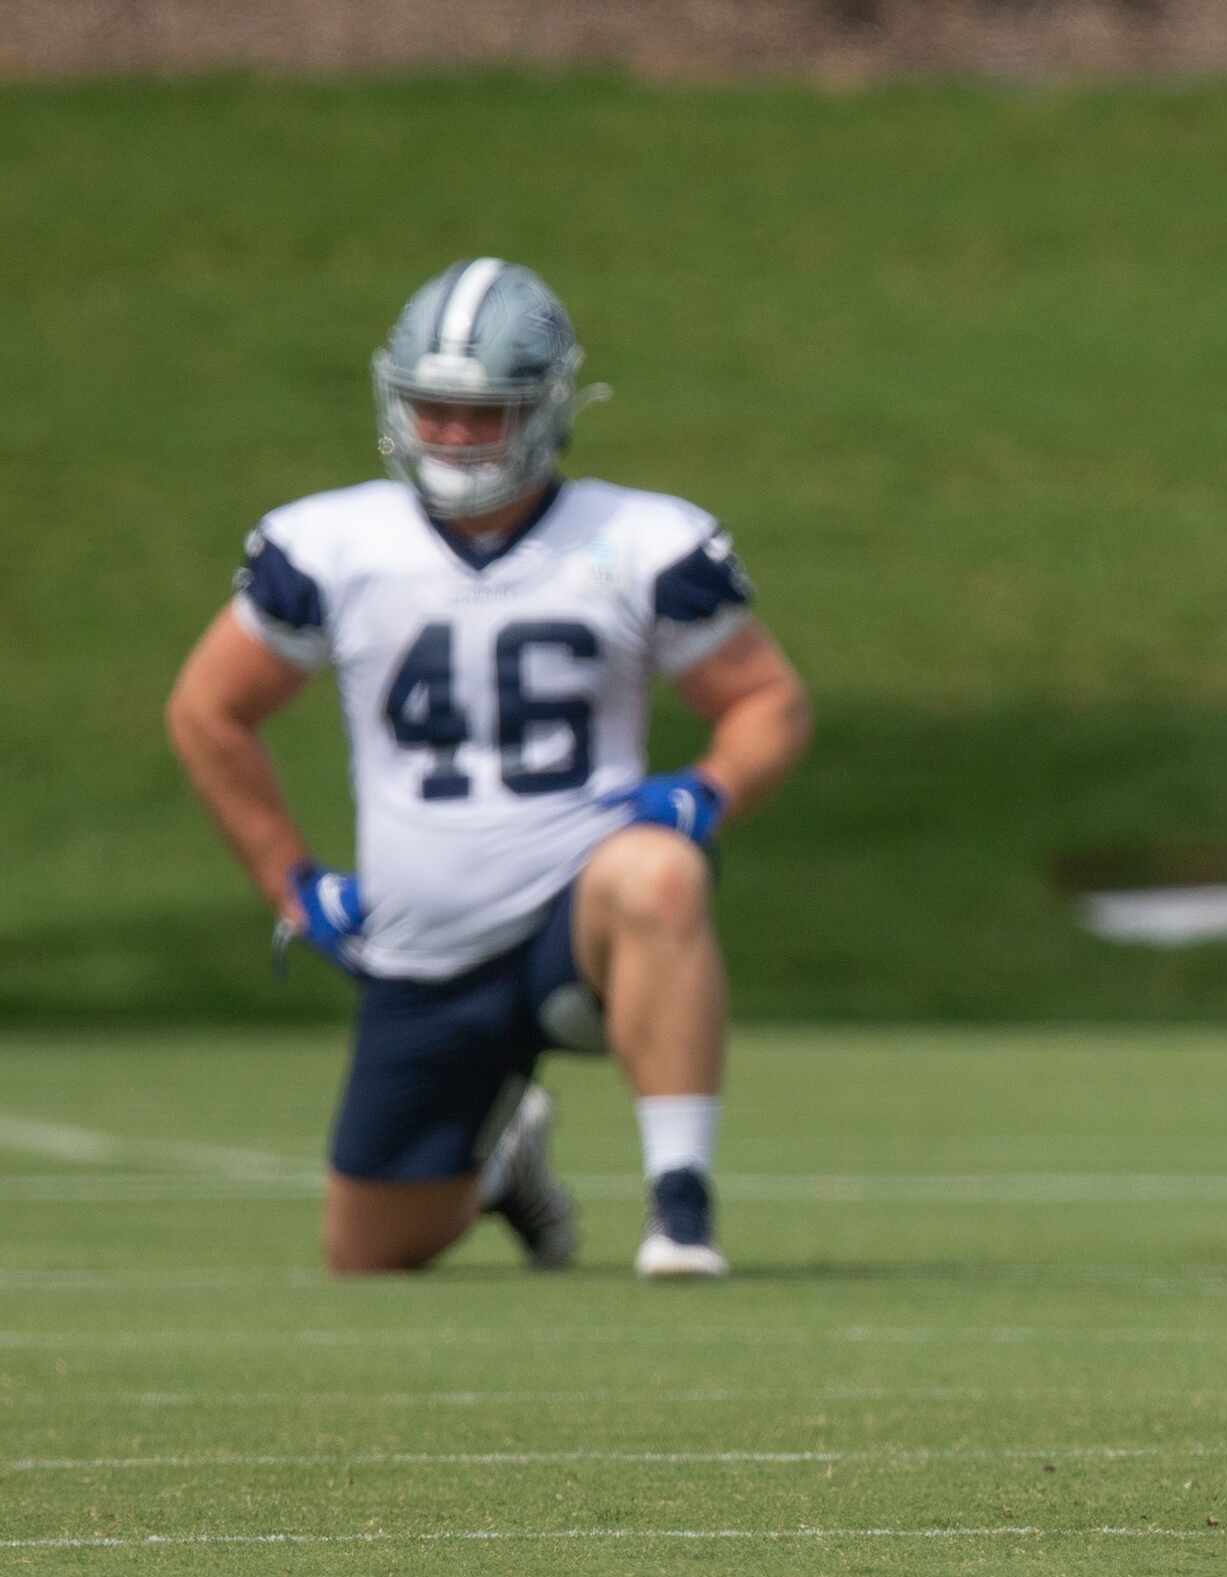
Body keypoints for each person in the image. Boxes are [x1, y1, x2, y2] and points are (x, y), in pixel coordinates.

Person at [164, 258, 812, 1280]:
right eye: (435, 409)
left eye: (485, 414)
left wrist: (706, 793)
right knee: (371, 1254)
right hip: (424, 943)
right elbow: (209, 712)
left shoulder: (640, 540)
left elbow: (764, 700)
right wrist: (289, 884)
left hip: (580, 915)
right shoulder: (332, 543)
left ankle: (679, 1210)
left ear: (547, 411)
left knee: (659, 871)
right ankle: (506, 1165)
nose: (455, 435)